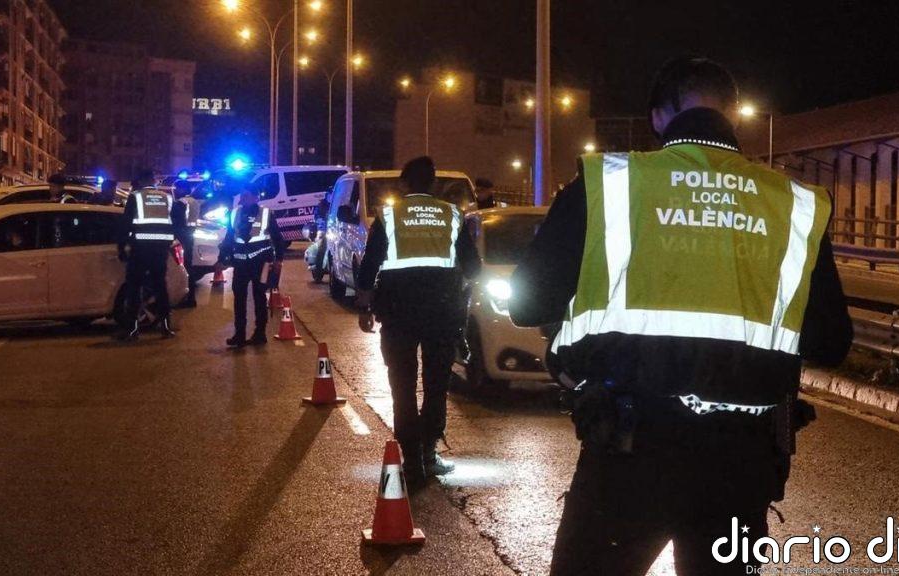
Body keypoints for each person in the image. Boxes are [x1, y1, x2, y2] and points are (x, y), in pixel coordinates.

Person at [509, 57, 853, 576]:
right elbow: (831, 341)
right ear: (733, 114)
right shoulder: (794, 203)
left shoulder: (609, 183)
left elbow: (527, 304)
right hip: (742, 463)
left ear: (658, 116)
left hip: (628, 454)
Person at [356, 156, 481, 488]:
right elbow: (474, 268)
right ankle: (428, 452)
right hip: (442, 314)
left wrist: (364, 306)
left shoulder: (389, 215)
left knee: (402, 386)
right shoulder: (451, 215)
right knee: (436, 385)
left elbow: (369, 264)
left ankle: (411, 460)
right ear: (433, 183)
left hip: (398, 314)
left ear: (405, 183)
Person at [219, 182, 285, 347]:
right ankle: (239, 335)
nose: (242, 199)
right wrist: (221, 259)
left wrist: (279, 260)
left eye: (246, 196)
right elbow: (229, 238)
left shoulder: (266, 214)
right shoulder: (234, 214)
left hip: (261, 263)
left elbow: (278, 238)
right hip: (241, 263)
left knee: (259, 298)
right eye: (242, 196)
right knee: (239, 299)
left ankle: (260, 334)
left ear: (256, 198)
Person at [115, 170, 177, 341]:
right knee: (160, 287)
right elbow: (174, 222)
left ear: (141, 181)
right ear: (154, 181)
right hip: (160, 250)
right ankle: (166, 327)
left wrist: (121, 247)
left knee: (134, 288)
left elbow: (126, 223)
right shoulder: (166, 197)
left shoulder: (136, 197)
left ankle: (132, 330)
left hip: (140, 249)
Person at [172, 180, 198, 309]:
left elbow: (175, 222)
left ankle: (187, 297)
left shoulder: (180, 203)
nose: (174, 191)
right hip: (189, 235)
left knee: (183, 267)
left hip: (181, 237)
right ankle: (191, 297)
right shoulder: (193, 201)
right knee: (188, 266)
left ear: (182, 189)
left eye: (176, 188)